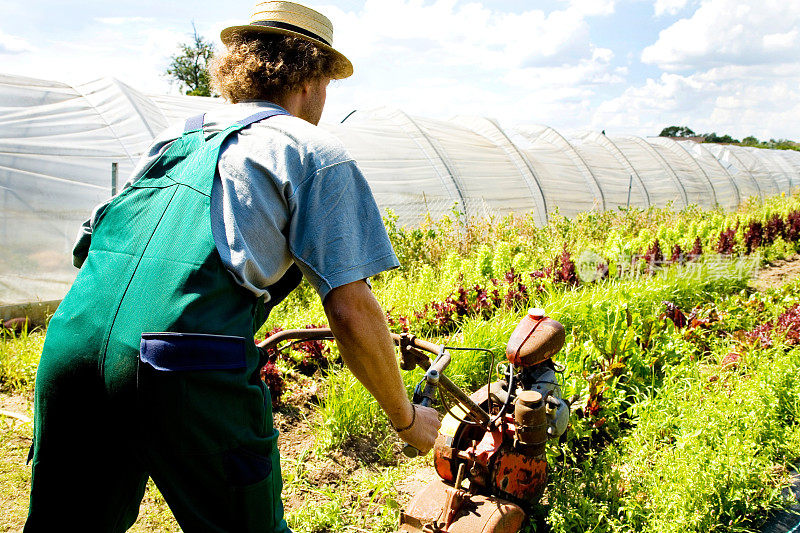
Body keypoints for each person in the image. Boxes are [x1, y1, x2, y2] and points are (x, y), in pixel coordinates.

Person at [24, 2, 440, 531]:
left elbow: (90, 249)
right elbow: (351, 309)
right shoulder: (313, 151)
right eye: (328, 83)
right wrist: (405, 420)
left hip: (71, 345)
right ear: (310, 78)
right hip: (183, 365)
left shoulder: (175, 138)